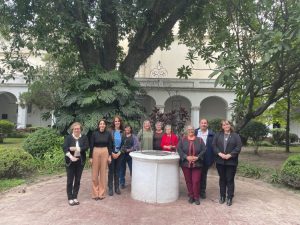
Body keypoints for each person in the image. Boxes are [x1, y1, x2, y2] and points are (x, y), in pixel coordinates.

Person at [212, 119, 242, 206]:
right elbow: (214, 146)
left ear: (230, 125)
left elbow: (238, 147)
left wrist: (230, 155)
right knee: (222, 179)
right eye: (224, 125)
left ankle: (229, 197)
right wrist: (220, 153)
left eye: (227, 124)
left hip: (231, 162)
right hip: (220, 161)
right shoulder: (218, 135)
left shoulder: (236, 136)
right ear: (222, 127)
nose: (226, 126)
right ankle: (222, 196)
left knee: (230, 179)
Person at [178, 124, 206, 205]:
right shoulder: (182, 140)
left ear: (194, 130)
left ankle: (196, 197)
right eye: (189, 129)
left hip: (197, 164)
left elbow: (204, 150)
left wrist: (197, 157)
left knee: (196, 181)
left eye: (192, 129)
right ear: (187, 131)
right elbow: (179, 149)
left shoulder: (200, 140)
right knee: (188, 181)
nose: (191, 130)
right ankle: (191, 196)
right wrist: (186, 157)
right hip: (186, 164)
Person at [63, 122, 89, 206]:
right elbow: (65, 148)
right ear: (72, 129)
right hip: (70, 161)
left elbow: (86, 147)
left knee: (77, 180)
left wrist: (74, 148)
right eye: (75, 129)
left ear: (80, 129)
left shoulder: (84, 137)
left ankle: (75, 197)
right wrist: (71, 157)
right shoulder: (68, 138)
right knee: (70, 180)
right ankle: (70, 198)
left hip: (80, 161)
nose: (77, 130)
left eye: (78, 129)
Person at [89, 119, 113, 200]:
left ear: (105, 125)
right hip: (95, 151)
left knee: (103, 173)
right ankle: (95, 194)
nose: (102, 125)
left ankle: (101, 194)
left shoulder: (108, 134)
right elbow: (91, 146)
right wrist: (91, 157)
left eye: (103, 124)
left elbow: (110, 145)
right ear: (98, 125)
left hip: (105, 152)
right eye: (100, 124)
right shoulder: (94, 134)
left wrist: (109, 156)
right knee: (95, 174)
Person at [194, 118, 215, 199]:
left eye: (205, 123)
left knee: (203, 175)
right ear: (199, 124)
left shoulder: (212, 134)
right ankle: (195, 191)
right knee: (196, 175)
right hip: (196, 157)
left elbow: (214, 147)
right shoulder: (195, 132)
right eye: (202, 123)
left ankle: (202, 191)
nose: (203, 124)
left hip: (206, 158)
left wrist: (212, 159)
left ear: (207, 124)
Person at [119, 124, 140, 188]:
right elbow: (119, 144)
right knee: (122, 169)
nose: (127, 129)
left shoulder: (134, 137)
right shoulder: (122, 136)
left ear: (130, 129)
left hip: (130, 155)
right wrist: (121, 149)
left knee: (132, 169)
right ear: (124, 129)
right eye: (126, 128)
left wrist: (130, 149)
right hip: (122, 155)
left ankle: (134, 182)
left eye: (129, 128)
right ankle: (122, 183)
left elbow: (136, 145)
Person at [108, 116, 124, 196]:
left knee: (117, 171)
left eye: (118, 121)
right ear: (114, 122)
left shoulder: (122, 132)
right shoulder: (110, 132)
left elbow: (124, 144)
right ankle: (110, 188)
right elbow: (108, 144)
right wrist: (111, 153)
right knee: (111, 171)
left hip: (119, 154)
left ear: (120, 122)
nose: (117, 122)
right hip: (112, 153)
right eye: (115, 121)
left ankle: (117, 188)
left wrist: (119, 153)